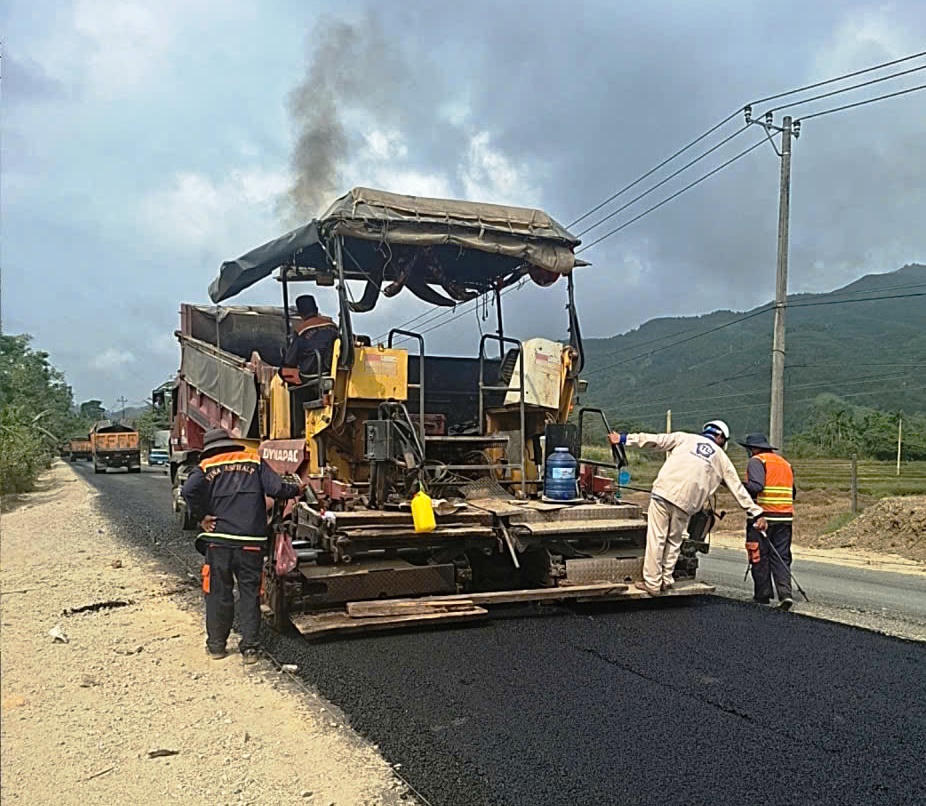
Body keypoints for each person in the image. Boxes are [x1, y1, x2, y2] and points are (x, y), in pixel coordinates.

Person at [181, 428, 303, 663]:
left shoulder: (206, 466)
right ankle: (250, 649)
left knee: (218, 594)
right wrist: (297, 489)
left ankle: (217, 647)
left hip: (220, 543)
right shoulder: (253, 459)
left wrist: (202, 516)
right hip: (251, 543)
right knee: (250, 594)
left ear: (210, 448)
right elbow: (277, 489)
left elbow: (187, 491)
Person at [609, 420, 767, 595]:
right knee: (674, 541)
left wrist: (623, 438)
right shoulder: (722, 459)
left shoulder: (684, 438)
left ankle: (653, 583)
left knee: (657, 538)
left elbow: (654, 440)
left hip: (663, 494)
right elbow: (738, 489)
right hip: (687, 504)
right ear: (720, 437)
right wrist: (756, 512)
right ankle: (667, 580)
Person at [739, 432, 796, 610]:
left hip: (762, 517)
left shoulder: (757, 461)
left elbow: (757, 486)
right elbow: (792, 492)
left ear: (753, 449)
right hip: (785, 518)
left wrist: (736, 486)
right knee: (781, 556)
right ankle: (785, 594)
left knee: (758, 555)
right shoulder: (785, 463)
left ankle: (762, 595)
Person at [281, 294, 338, 380]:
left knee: (283, 372)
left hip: (309, 375)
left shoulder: (301, 331)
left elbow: (290, 361)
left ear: (300, 314)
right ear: (316, 309)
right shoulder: (333, 327)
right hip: (332, 371)